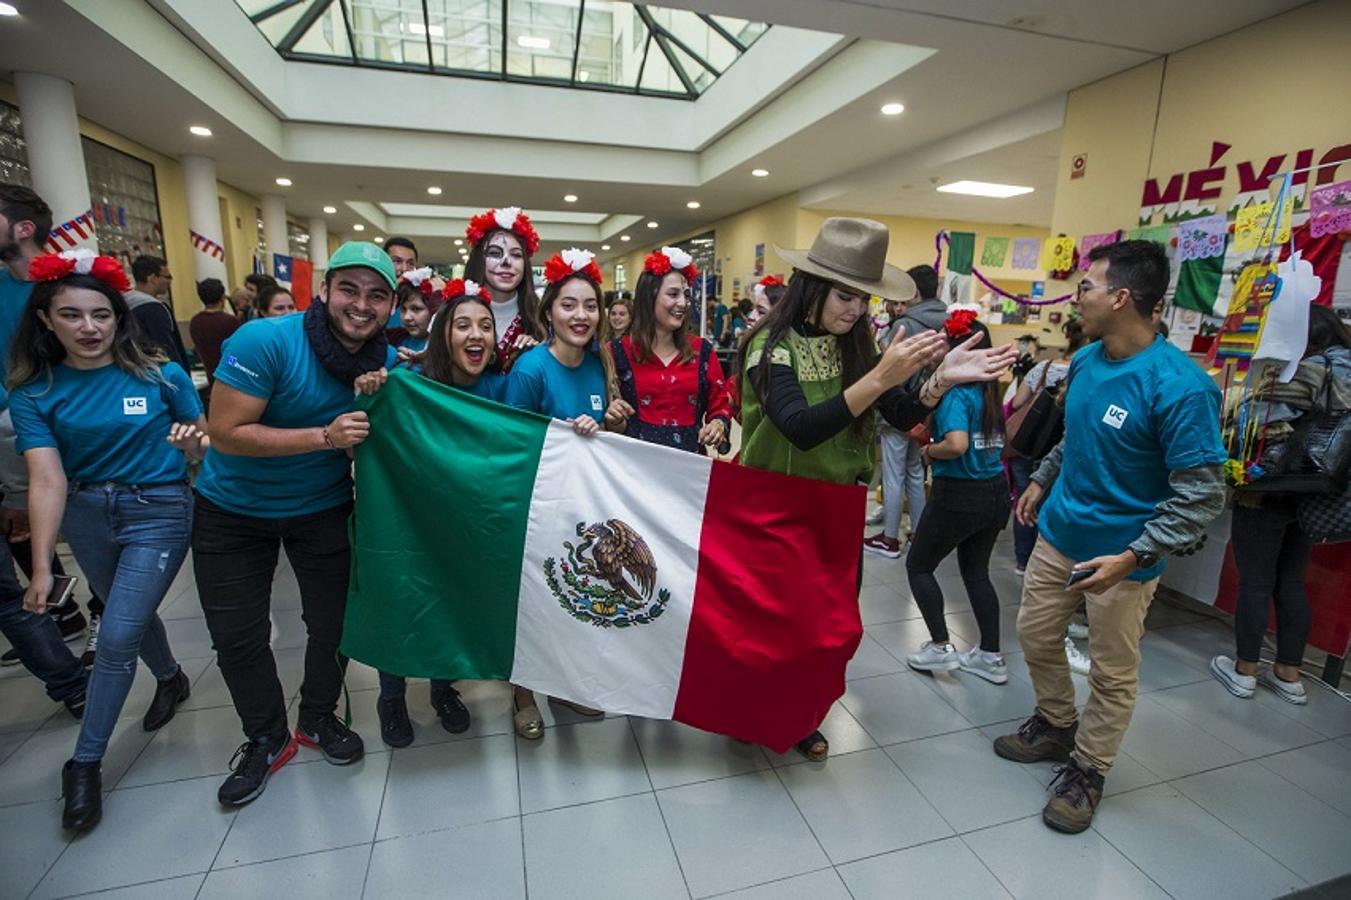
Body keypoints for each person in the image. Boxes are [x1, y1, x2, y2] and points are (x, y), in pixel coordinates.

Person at [738, 217, 1018, 761]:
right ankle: (757, 710)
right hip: (775, 510)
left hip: (839, 510)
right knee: (771, 626)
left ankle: (802, 715)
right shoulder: (768, 347)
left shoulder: (856, 344)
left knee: (830, 628)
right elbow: (800, 425)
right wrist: (883, 376)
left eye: (865, 299)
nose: (858, 310)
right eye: (846, 296)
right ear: (812, 287)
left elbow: (899, 411)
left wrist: (940, 382)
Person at [995, 240, 1227, 834]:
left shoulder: (1180, 386)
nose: (1078, 300)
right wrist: (1043, 479)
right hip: (1060, 532)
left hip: (1122, 556)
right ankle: (1054, 723)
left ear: (1121, 297)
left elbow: (1201, 495)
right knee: (1035, 634)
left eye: (1087, 289)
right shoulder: (1088, 360)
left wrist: (1133, 556)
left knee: (1112, 670)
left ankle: (1089, 768)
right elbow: (1077, 437)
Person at [9, 249, 208, 832]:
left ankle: (84, 763)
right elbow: (48, 479)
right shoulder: (35, 391)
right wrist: (42, 569)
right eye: (72, 315)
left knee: (116, 634)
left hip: (161, 508)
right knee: (133, 616)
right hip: (87, 514)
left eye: (101, 315)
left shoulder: (161, 375)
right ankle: (170, 675)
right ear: (46, 319)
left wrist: (190, 446)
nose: (89, 328)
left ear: (119, 318)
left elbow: (200, 441)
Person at [193, 241, 397, 807]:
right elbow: (227, 432)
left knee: (333, 626)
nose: (362, 305)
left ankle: (317, 718)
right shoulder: (264, 340)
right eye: (350, 290)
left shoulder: (385, 364)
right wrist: (325, 437)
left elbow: (378, 448)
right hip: (232, 510)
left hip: (321, 509)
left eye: (377, 295)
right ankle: (264, 737)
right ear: (325, 289)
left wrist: (375, 411)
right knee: (238, 637)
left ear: (391, 306)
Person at [353, 278, 501, 747]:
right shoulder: (409, 387)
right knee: (403, 601)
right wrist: (370, 391)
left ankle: (443, 690)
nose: (475, 335)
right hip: (414, 522)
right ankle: (391, 698)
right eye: (463, 325)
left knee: (455, 605)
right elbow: (368, 429)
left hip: (471, 526)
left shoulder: (501, 388)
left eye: (485, 325)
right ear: (444, 336)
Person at [504, 250, 630, 738]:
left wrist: (610, 423)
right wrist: (560, 432)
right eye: (569, 305)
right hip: (539, 506)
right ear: (549, 311)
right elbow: (514, 441)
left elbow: (605, 437)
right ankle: (522, 694)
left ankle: (562, 685)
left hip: (586, 510)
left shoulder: (601, 363)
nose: (581, 316)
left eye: (591, 306)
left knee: (570, 597)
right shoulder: (530, 369)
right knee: (533, 601)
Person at [1211, 305, 1351, 705]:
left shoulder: (1306, 369)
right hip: (1317, 493)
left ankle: (1245, 671)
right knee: (1291, 582)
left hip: (1269, 488)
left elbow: (1258, 419)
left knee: (1256, 581)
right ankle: (1290, 674)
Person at [0, 182, 88, 718]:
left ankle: (91, 615)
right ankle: (59, 607)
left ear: (24, 228)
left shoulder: (65, 285)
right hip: (14, 435)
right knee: (26, 533)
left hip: (66, 433)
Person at [904, 312, 1011, 684]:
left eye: (943, 344)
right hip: (996, 492)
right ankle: (990, 656)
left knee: (918, 566)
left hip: (960, 494)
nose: (938, 351)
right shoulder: (991, 391)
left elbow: (956, 444)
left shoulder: (956, 394)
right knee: (977, 572)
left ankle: (939, 646)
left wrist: (930, 451)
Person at [610, 247, 730, 454]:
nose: (682, 303)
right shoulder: (617, 351)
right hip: (633, 468)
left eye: (686, 295)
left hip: (689, 466)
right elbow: (603, 405)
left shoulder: (702, 351)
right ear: (650, 297)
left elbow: (720, 405)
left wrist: (718, 425)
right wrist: (611, 413)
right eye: (673, 294)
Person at [864, 264, 944, 557]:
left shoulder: (906, 325)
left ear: (915, 291)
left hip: (899, 410)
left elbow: (886, 370)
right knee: (914, 472)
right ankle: (917, 534)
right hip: (931, 410)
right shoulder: (951, 320)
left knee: (893, 474)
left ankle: (889, 538)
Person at [1006, 318, 1088, 575]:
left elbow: (1018, 402)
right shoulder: (1089, 372)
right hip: (1062, 449)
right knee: (1051, 503)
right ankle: (1046, 562)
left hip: (1028, 445)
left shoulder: (1045, 367)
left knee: (1024, 499)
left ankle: (1023, 561)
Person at [463, 207, 544, 373]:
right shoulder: (452, 312)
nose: (506, 262)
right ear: (479, 260)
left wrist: (539, 352)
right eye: (494, 253)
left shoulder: (543, 317)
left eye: (516, 255)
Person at [126, 255, 189, 369]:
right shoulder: (154, 309)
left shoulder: (125, 304)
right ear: (153, 278)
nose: (170, 280)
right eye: (167, 276)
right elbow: (167, 348)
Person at [189, 277, 240, 390]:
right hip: (232, 375)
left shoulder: (195, 321)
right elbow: (238, 352)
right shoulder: (230, 321)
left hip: (211, 373)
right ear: (222, 297)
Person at [391, 267, 440, 372]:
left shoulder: (443, 348)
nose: (407, 317)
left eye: (416, 309)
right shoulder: (395, 339)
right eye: (403, 309)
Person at [383, 236, 418, 336]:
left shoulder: (420, 300)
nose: (404, 269)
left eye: (410, 263)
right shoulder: (373, 298)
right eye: (397, 261)